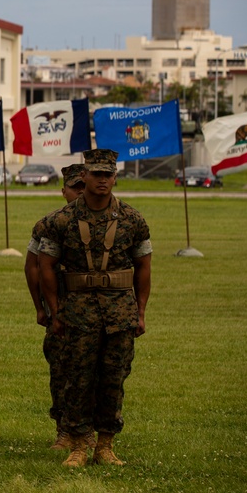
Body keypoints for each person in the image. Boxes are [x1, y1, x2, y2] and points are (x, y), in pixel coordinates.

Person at [38, 149, 151, 468]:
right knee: (78, 379)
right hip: (78, 314)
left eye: (107, 175)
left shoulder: (133, 219)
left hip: (119, 315)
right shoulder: (60, 220)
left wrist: (140, 312)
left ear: (115, 178)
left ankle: (105, 445)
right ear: (84, 176)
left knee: (113, 379)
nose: (102, 180)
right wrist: (56, 310)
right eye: (96, 174)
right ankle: (77, 446)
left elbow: (144, 267)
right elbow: (45, 266)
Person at [23, 163, 86, 450]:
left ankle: (90, 433)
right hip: (61, 307)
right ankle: (63, 431)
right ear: (64, 191)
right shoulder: (49, 224)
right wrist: (41, 308)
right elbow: (33, 268)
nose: (81, 192)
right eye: (76, 187)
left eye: (85, 185)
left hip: (99, 308)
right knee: (61, 370)